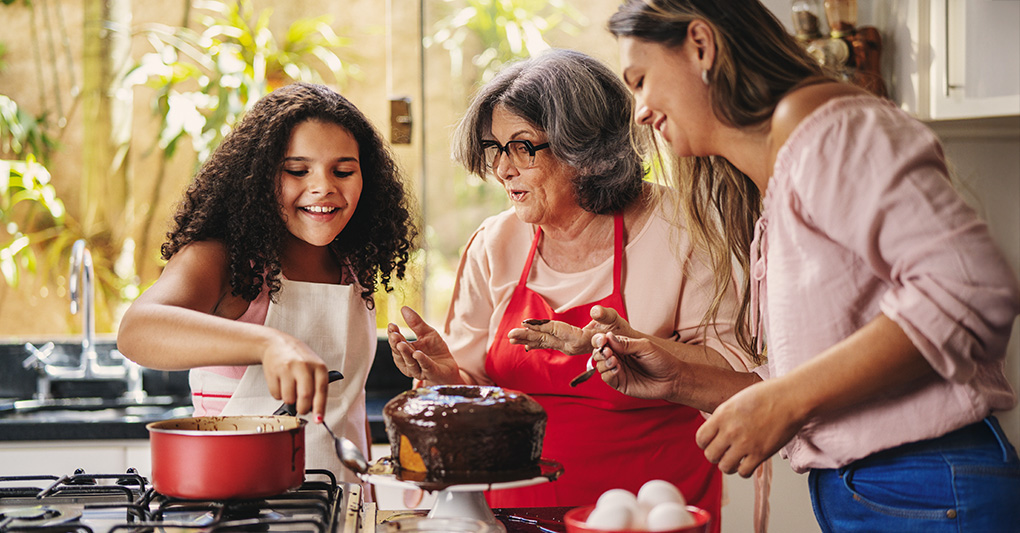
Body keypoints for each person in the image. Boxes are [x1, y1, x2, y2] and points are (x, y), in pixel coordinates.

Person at [592, 1, 1020, 531]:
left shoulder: (826, 128)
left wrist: (787, 400)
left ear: (701, 45)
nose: (639, 111)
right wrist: (679, 379)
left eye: (640, 80)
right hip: (884, 494)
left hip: (923, 487)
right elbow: (820, 373)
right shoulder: (782, 173)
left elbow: (970, 287)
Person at [385, 49, 750, 525]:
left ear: (587, 149)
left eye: (522, 147)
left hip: (646, 514)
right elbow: (476, 391)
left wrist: (637, 348)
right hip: (512, 518)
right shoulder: (495, 244)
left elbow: (739, 383)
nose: (502, 169)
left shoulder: (686, 230)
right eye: (494, 148)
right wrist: (443, 376)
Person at [117, 82, 417, 486]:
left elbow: (345, 413)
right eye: (297, 170)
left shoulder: (352, 268)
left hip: (338, 507)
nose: (323, 187)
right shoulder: (223, 260)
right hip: (233, 506)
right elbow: (138, 330)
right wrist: (269, 343)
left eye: (343, 171)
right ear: (258, 177)